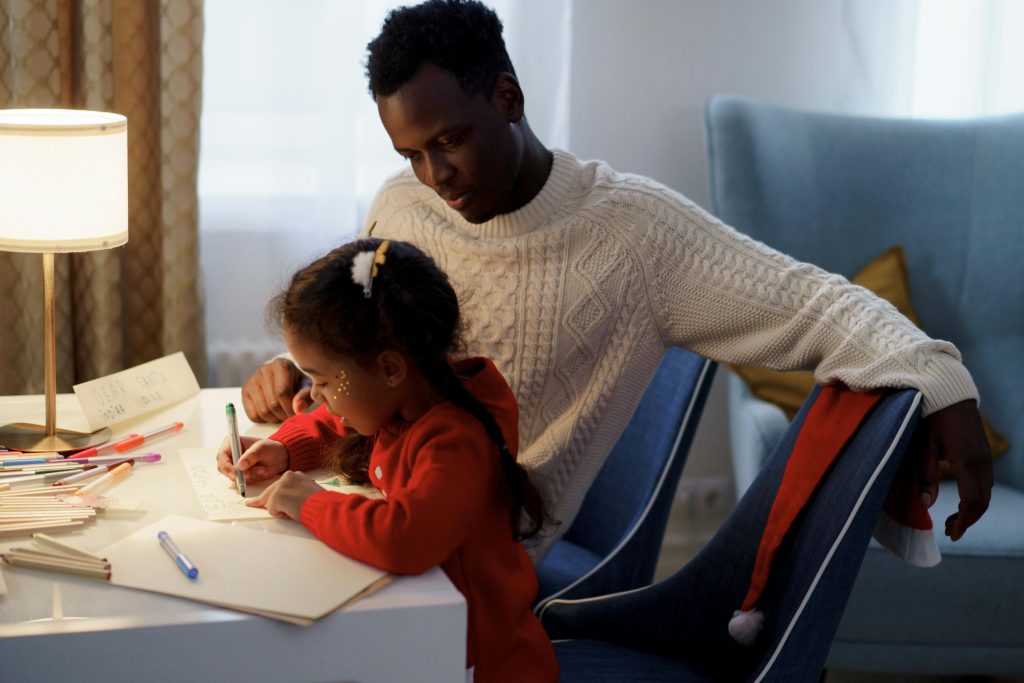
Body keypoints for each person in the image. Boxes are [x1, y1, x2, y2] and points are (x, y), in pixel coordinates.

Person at [240, 0, 991, 556]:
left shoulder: (635, 233)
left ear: (508, 97)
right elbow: (381, 369)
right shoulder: (402, 206)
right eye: (412, 153)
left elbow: (813, 303)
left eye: (451, 141)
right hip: (367, 505)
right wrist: (309, 376)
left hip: (473, 566)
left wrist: (937, 375)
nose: (435, 176)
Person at [220, 237, 559, 682]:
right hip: (424, 630)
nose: (314, 396)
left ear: (390, 368)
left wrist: (310, 503)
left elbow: (406, 538)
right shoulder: (407, 394)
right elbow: (337, 422)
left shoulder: (455, 440)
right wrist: (285, 449)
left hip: (479, 660)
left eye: (321, 381)